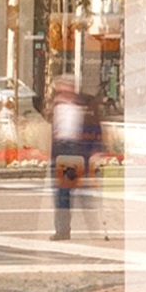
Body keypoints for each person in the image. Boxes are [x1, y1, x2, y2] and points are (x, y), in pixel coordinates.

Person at [47, 79, 101, 241]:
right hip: (62, 150)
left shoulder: (84, 106)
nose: (61, 92)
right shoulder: (56, 107)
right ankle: (62, 230)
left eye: (64, 88)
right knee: (62, 193)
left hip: (77, 149)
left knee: (84, 193)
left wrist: (96, 150)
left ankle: (94, 229)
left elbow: (95, 127)